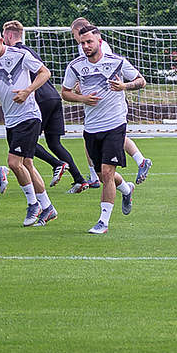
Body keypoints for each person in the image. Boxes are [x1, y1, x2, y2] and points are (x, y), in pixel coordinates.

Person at [60, 24, 145, 234]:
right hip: (91, 127)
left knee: (107, 173)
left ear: (99, 41)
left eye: (90, 42)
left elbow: (141, 80)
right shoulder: (75, 66)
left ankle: (103, 222)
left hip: (115, 124)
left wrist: (124, 86)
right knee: (102, 174)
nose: (86, 46)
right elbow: (65, 92)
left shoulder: (116, 62)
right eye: (83, 43)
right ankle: (126, 189)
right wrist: (82, 99)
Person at [0, 24, 58, 227]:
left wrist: (28, 91)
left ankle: (33, 205)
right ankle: (47, 207)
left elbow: (45, 73)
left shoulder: (20, 55)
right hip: (11, 119)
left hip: (29, 116)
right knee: (26, 164)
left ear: (1, 40)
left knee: (13, 163)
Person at [67, 18, 153, 190]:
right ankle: (136, 167)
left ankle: (97, 178)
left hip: (111, 102)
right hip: (95, 110)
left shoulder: (100, 47)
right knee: (105, 142)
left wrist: (122, 86)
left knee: (113, 137)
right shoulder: (82, 52)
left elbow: (108, 70)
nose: (79, 41)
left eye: (74, 34)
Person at [2, 20, 86, 191]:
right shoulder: (30, 51)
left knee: (21, 142)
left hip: (38, 98)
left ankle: (57, 164)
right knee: (54, 143)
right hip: (53, 97)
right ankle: (79, 179)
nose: (2, 40)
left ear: (9, 35)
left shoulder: (15, 52)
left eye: (3, 36)